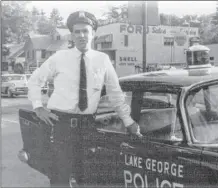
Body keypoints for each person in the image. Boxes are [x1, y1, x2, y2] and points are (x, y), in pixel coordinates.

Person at [27, 10, 142, 187]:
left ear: (93, 33)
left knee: (86, 177)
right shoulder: (59, 57)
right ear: (71, 35)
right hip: (61, 124)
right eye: (77, 31)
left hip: (87, 125)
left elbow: (115, 94)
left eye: (85, 31)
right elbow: (35, 80)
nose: (81, 35)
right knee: (59, 177)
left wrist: (128, 122)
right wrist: (38, 107)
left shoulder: (103, 60)